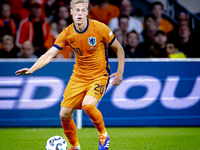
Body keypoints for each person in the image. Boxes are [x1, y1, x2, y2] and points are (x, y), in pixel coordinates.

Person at [15, 0, 125, 150]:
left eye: (82, 10)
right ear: (71, 13)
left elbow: (119, 48)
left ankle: (103, 136)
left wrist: (120, 71)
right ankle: (75, 147)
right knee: (64, 114)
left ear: (87, 12)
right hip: (78, 77)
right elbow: (50, 54)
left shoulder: (100, 28)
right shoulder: (67, 33)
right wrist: (32, 69)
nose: (79, 13)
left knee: (88, 105)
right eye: (76, 10)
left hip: (99, 75)